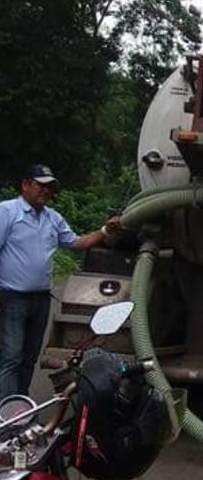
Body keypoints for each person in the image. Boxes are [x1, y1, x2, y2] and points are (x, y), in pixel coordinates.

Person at [0, 165, 123, 400]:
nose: (45, 191)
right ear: (25, 185)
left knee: (29, 359)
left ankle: (21, 407)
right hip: (12, 297)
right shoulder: (7, 212)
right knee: (11, 357)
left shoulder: (52, 218)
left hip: (40, 299)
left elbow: (76, 243)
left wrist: (105, 230)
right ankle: (6, 410)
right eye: (40, 185)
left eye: (49, 187)